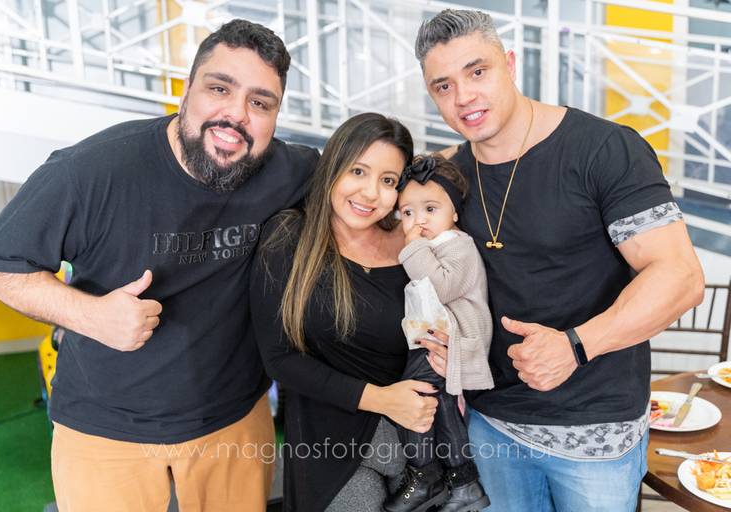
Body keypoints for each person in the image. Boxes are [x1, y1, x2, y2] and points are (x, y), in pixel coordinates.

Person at [0, 19, 318, 511]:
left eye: (260, 103)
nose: (236, 115)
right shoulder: (93, 170)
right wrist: (91, 315)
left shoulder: (289, 170)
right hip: (105, 428)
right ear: (186, 91)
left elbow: (368, 178)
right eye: (219, 88)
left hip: (234, 418)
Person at [414, 9, 705, 511]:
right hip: (492, 426)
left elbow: (680, 276)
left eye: (477, 71)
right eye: (443, 86)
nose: (463, 97)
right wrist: (444, 338)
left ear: (509, 64)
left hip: (597, 433)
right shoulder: (448, 177)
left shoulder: (604, 148)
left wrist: (576, 346)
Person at [250, 112, 439, 511]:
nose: (370, 193)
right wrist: (381, 400)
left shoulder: (413, 245)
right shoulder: (289, 236)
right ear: (333, 165)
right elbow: (279, 358)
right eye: (358, 171)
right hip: (333, 449)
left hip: (419, 444)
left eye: (388, 180)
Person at [385, 154, 491, 512]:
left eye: (430, 209)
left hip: (449, 342)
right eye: (408, 212)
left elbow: (439, 287)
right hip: (437, 341)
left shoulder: (458, 245)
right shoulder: (434, 246)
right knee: (442, 407)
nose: (419, 221)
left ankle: (424, 474)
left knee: (412, 397)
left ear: (455, 212)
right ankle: (463, 483)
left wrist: (412, 246)